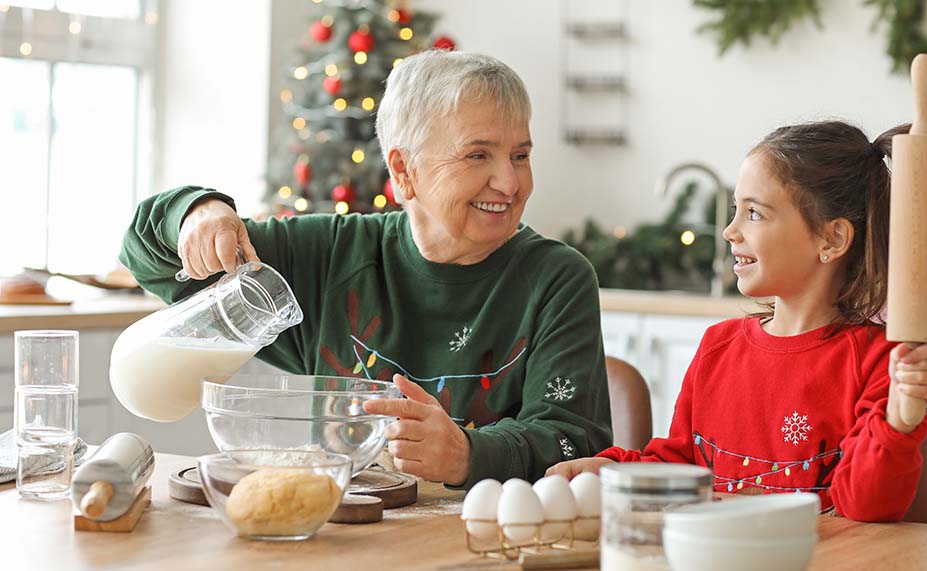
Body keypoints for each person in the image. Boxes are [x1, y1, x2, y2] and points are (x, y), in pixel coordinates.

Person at [120, 50, 612, 488]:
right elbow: (150, 258)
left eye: (520, 155)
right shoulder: (332, 255)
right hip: (334, 539)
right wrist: (198, 212)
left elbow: (573, 441)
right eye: (478, 154)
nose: (509, 181)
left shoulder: (556, 279)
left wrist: (468, 454)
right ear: (403, 171)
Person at [547, 121, 927, 522]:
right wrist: (613, 471)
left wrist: (899, 420)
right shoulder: (716, 348)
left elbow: (868, 506)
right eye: (736, 209)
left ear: (831, 240)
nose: (729, 230)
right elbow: (679, 465)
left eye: (754, 213)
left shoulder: (879, 362)